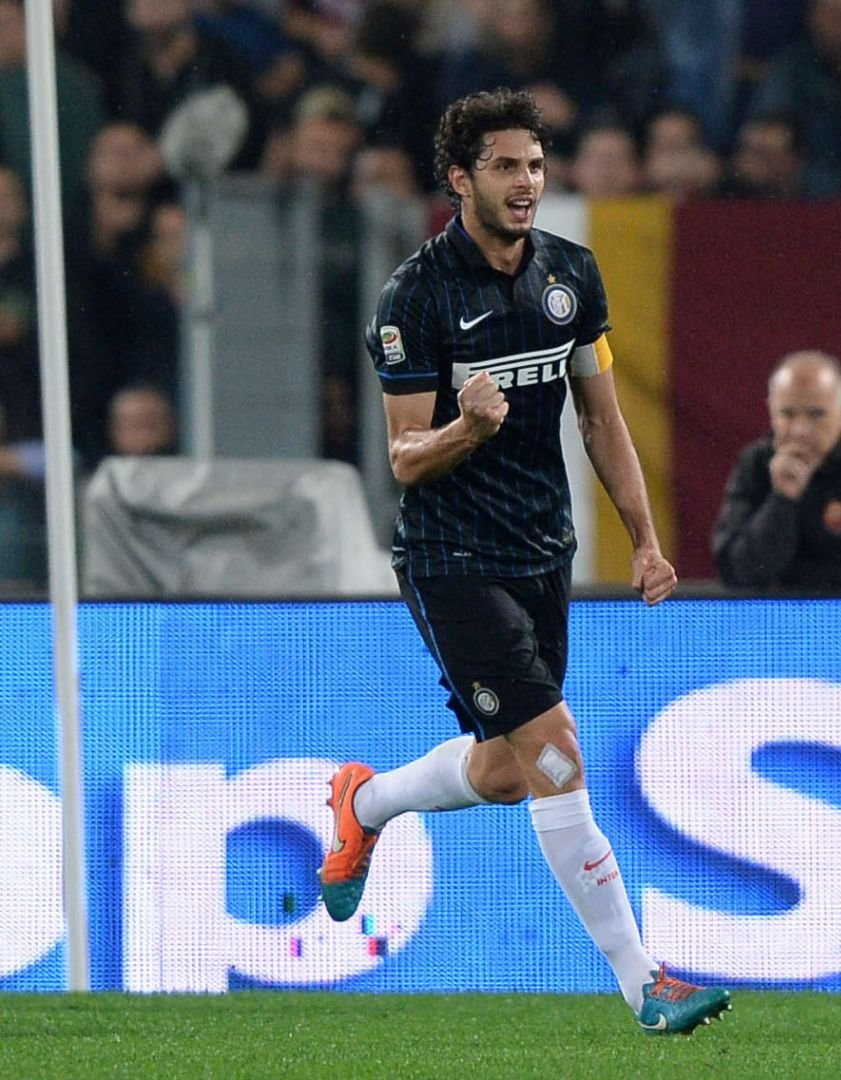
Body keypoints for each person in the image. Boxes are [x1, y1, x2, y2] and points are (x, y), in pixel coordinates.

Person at [320, 88, 731, 1036]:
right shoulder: (415, 296)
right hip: (451, 556)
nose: (526, 183)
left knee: (508, 774)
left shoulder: (570, 275)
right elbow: (404, 457)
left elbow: (601, 419)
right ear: (460, 179)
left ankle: (366, 802)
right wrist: (466, 427)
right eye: (505, 166)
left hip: (544, 549)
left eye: (536, 166)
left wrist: (646, 538)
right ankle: (644, 985)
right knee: (557, 756)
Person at [712, 350, 841, 591]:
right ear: (771, 412)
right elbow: (735, 572)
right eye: (788, 414)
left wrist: (791, 584)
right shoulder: (756, 464)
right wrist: (782, 500)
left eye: (816, 415)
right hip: (770, 616)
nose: (800, 430)